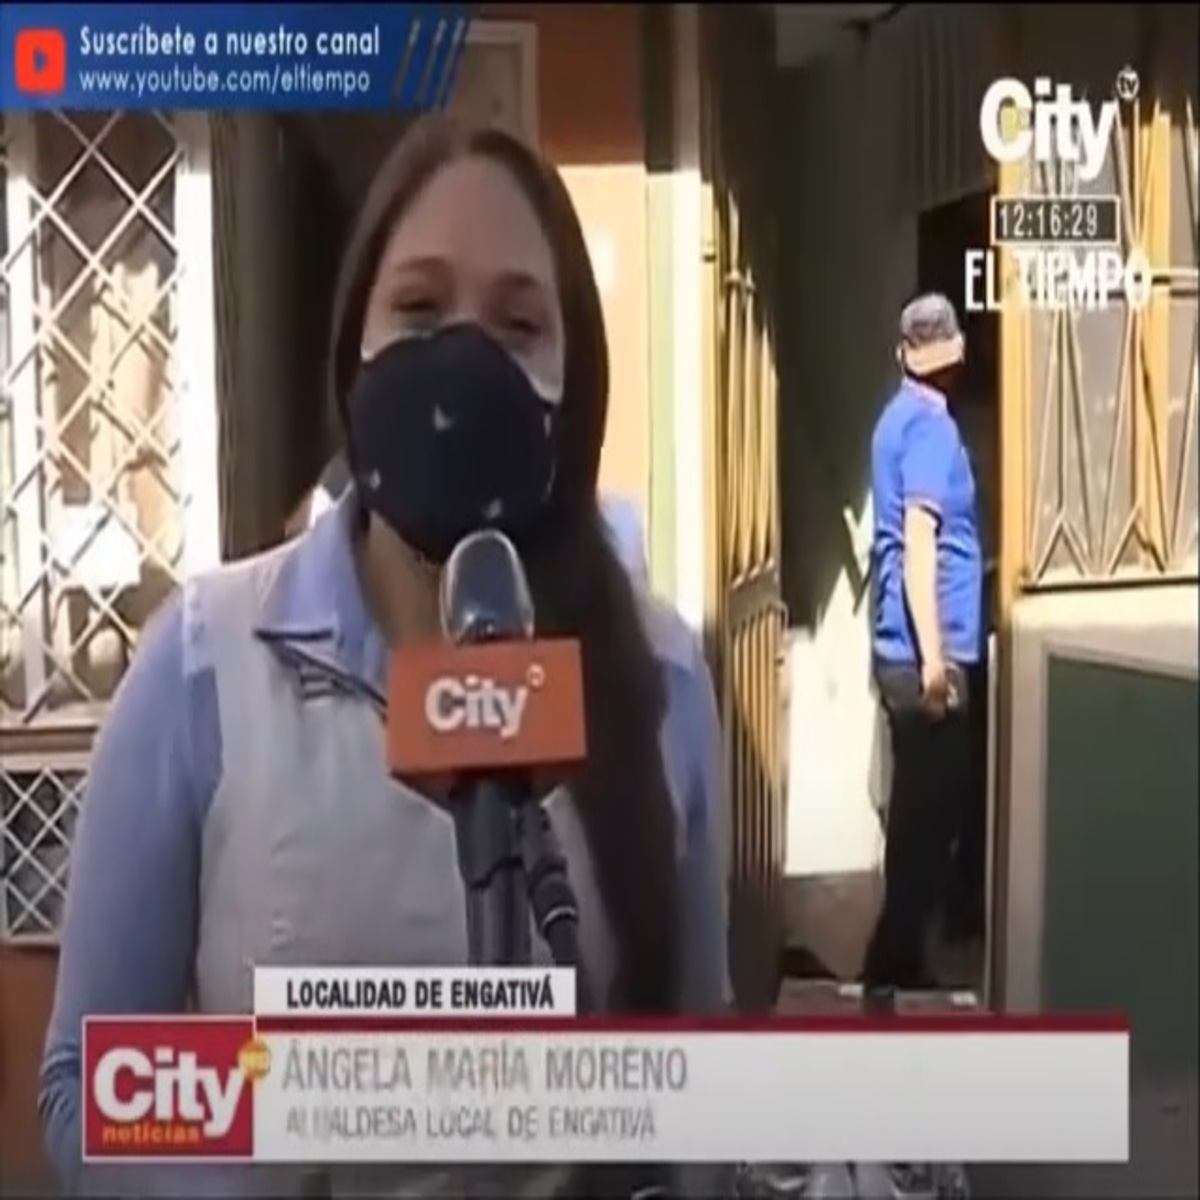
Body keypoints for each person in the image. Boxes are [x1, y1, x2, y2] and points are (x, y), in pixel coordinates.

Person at [40, 116, 730, 1197]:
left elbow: (705, 1088)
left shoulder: (664, 679)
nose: (464, 360)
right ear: (352, 356)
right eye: (418, 309)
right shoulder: (202, 668)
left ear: (574, 385)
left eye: (519, 324)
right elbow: (87, 1089)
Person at [862, 293, 983, 1004]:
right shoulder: (933, 429)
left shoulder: (893, 421)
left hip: (897, 647)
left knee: (916, 816)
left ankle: (894, 971)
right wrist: (937, 661)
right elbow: (919, 544)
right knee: (929, 823)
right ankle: (891, 970)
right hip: (925, 652)